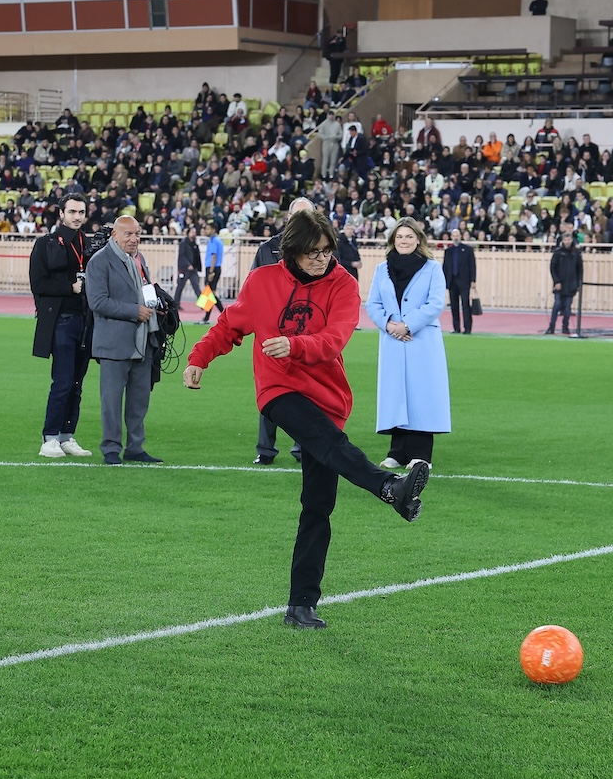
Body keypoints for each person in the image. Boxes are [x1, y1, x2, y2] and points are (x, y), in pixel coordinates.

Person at [184, 208, 432, 630]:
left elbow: (335, 339)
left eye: (326, 251)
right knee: (324, 441)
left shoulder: (344, 284)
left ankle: (301, 606)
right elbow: (229, 325)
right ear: (292, 251)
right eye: (312, 252)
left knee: (318, 506)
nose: (321, 259)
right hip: (278, 388)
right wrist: (199, 358)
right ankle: (388, 486)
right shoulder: (262, 281)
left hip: (328, 397)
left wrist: (295, 345)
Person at [364, 218, 450, 468]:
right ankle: (397, 452)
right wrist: (389, 324)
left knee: (421, 395)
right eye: (400, 236)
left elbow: (435, 303)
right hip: (392, 339)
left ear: (418, 240)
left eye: (409, 236)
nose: (404, 241)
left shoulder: (432, 268)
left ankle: (421, 454)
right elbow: (372, 303)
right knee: (396, 393)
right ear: (393, 239)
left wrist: (408, 324)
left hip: (421, 340)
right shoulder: (382, 269)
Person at [85, 215, 162, 466]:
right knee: (111, 401)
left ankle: (135, 447)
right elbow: (97, 302)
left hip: (143, 340)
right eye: (128, 234)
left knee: (139, 400)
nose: (134, 238)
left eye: (137, 233)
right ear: (114, 235)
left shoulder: (139, 259)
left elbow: (143, 291)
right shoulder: (99, 261)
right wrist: (134, 311)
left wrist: (156, 306)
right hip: (114, 342)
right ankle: (110, 448)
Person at [28, 194, 94, 459]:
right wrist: (70, 287)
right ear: (62, 214)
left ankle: (67, 436)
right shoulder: (45, 244)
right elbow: (38, 284)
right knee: (63, 381)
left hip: (86, 321)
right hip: (61, 321)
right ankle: (50, 438)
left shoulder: (89, 244)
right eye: (72, 212)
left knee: (77, 383)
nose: (77, 217)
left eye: (81, 212)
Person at [252, 198, 314, 465]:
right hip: (272, 332)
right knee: (270, 390)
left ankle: (303, 448)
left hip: (306, 334)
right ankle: (265, 450)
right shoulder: (268, 249)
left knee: (307, 392)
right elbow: (252, 288)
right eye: (298, 216)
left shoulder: (322, 250)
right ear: (288, 218)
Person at [545, 231, 581, 336]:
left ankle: (565, 327)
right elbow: (553, 268)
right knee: (557, 305)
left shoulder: (576, 253)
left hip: (571, 284)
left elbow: (580, 269)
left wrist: (578, 284)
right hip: (559, 284)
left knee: (567, 307)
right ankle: (551, 326)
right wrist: (556, 281)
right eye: (565, 240)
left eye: (569, 239)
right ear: (562, 241)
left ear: (572, 240)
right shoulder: (558, 252)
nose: (567, 242)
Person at [442, 227, 477, 334]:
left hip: (464, 281)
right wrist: (444, 281)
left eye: (457, 235)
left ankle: (467, 328)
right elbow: (445, 267)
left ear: (460, 236)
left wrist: (473, 280)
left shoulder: (468, 250)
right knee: (454, 306)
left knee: (465, 305)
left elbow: (472, 266)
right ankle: (456, 328)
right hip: (452, 281)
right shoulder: (448, 251)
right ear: (451, 237)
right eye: (454, 236)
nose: (456, 238)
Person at [172, 223, 203, 308]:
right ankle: (176, 304)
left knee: (196, 286)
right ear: (188, 233)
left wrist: (197, 266)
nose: (194, 234)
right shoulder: (183, 243)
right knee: (180, 287)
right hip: (184, 269)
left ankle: (203, 304)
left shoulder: (195, 244)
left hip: (193, 269)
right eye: (192, 232)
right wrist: (188, 264)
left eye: (195, 232)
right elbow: (182, 256)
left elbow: (197, 256)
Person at [201, 222, 226, 323]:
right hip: (213, 268)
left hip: (213, 268)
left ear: (213, 230)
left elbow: (214, 256)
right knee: (210, 294)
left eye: (207, 229)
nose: (206, 231)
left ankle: (224, 314)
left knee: (211, 294)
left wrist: (211, 272)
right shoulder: (213, 240)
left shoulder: (214, 241)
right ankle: (207, 317)